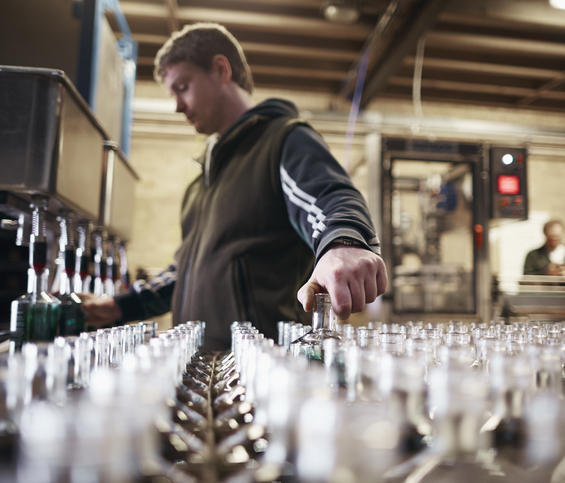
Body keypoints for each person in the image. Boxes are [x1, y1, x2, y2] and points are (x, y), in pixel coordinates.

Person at [82, 22, 387, 349]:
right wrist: (121, 306)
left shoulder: (283, 139)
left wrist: (341, 243)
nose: (177, 106)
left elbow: (329, 196)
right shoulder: (199, 184)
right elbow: (184, 270)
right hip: (203, 373)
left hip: (263, 372)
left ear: (220, 69)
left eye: (182, 86)